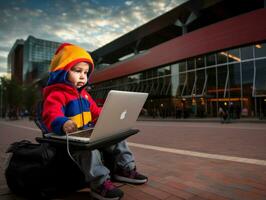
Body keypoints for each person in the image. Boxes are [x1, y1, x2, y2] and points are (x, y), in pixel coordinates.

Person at [42, 43, 147, 200]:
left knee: (117, 136)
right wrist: (63, 123)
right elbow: (51, 114)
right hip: (67, 141)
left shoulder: (85, 96)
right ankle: (100, 183)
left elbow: (97, 114)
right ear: (62, 72)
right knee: (88, 150)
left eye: (85, 72)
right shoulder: (56, 95)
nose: (83, 76)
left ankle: (124, 168)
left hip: (84, 135)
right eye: (77, 71)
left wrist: (113, 115)